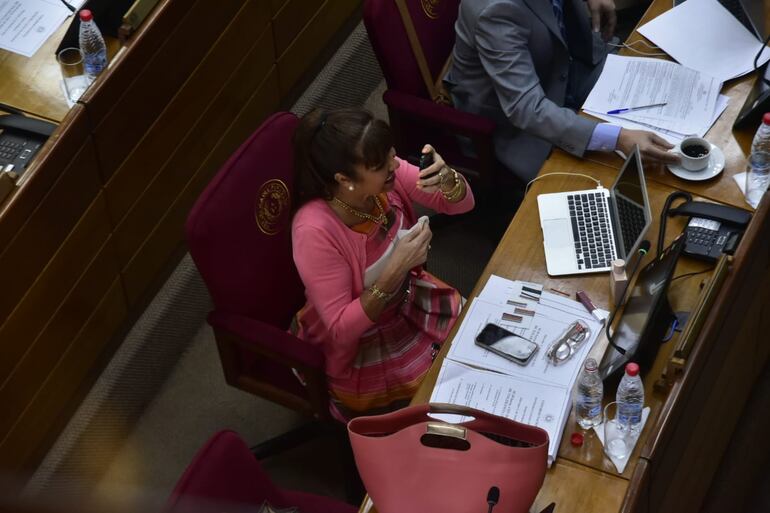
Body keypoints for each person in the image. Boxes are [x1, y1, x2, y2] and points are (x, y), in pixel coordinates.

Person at [290, 108, 475, 419]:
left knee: (477, 348)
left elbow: (462, 204)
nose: (394, 165)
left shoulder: (382, 178)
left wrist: (448, 179)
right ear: (344, 179)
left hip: (408, 299)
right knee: (440, 405)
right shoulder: (314, 232)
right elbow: (339, 330)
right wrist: (394, 273)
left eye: (391, 154)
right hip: (361, 342)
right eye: (380, 165)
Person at [445, 0, 681, 182]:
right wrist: (618, 138)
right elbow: (526, 108)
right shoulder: (495, 10)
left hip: (566, 70)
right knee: (623, 182)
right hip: (515, 122)